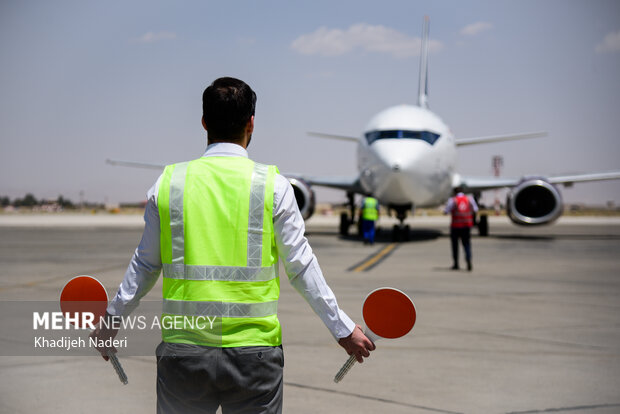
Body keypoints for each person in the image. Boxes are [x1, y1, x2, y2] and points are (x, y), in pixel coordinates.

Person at [89, 77, 375, 413]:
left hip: (184, 355)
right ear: (251, 123)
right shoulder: (274, 186)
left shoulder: (169, 184)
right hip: (255, 358)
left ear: (204, 122)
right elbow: (301, 267)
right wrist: (342, 329)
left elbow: (146, 264)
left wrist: (111, 320)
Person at [444, 187, 479, 271]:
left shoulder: (453, 200)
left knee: (455, 246)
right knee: (466, 244)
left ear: (454, 192)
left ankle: (456, 263)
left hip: (456, 226)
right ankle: (468, 261)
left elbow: (446, 211)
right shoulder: (469, 199)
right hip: (466, 225)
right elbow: (475, 209)